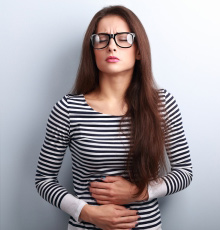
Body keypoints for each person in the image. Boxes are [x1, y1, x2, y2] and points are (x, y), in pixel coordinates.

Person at [35, 5, 193, 230]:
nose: (111, 46)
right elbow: (44, 180)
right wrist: (87, 213)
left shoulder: (162, 104)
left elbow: (184, 172)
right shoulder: (67, 109)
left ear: (139, 50)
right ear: (92, 50)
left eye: (123, 38)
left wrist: (141, 191)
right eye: (102, 39)